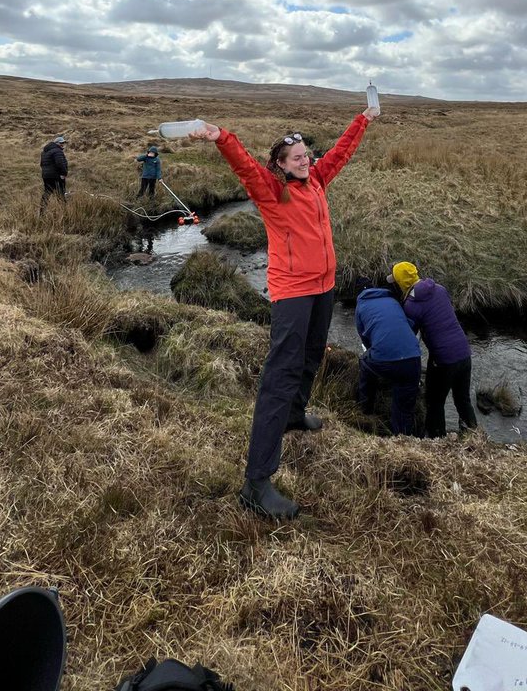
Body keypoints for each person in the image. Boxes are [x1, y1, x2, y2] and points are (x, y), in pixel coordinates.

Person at [192, 105, 379, 519]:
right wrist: (220, 136)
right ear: (279, 165)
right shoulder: (272, 190)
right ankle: (255, 483)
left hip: (324, 287)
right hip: (293, 292)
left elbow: (340, 153)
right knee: (280, 375)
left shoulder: (316, 180)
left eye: (306, 156)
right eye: (297, 158)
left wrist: (363, 119)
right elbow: (243, 167)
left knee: (312, 356)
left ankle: (294, 414)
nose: (306, 161)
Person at [390, 261, 478, 437]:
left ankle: (438, 440)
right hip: (464, 352)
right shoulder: (439, 288)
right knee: (463, 399)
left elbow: (409, 336)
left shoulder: (411, 306)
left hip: (443, 359)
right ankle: (473, 436)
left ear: (401, 283)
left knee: (435, 402)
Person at [354, 280, 422, 436]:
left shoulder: (361, 306)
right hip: (413, 357)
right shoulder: (392, 300)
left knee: (364, 364)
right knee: (404, 408)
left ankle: (365, 410)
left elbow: (364, 338)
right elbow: (407, 325)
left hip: (384, 359)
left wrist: (376, 350)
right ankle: (403, 439)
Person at [39, 135, 68, 207]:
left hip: (46, 176)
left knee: (47, 193)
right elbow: (60, 163)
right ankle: (63, 211)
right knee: (61, 194)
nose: (63, 145)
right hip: (57, 176)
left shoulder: (44, 152)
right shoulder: (57, 151)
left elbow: (41, 164)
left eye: (63, 143)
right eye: (61, 143)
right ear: (57, 143)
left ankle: (42, 210)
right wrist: (64, 173)